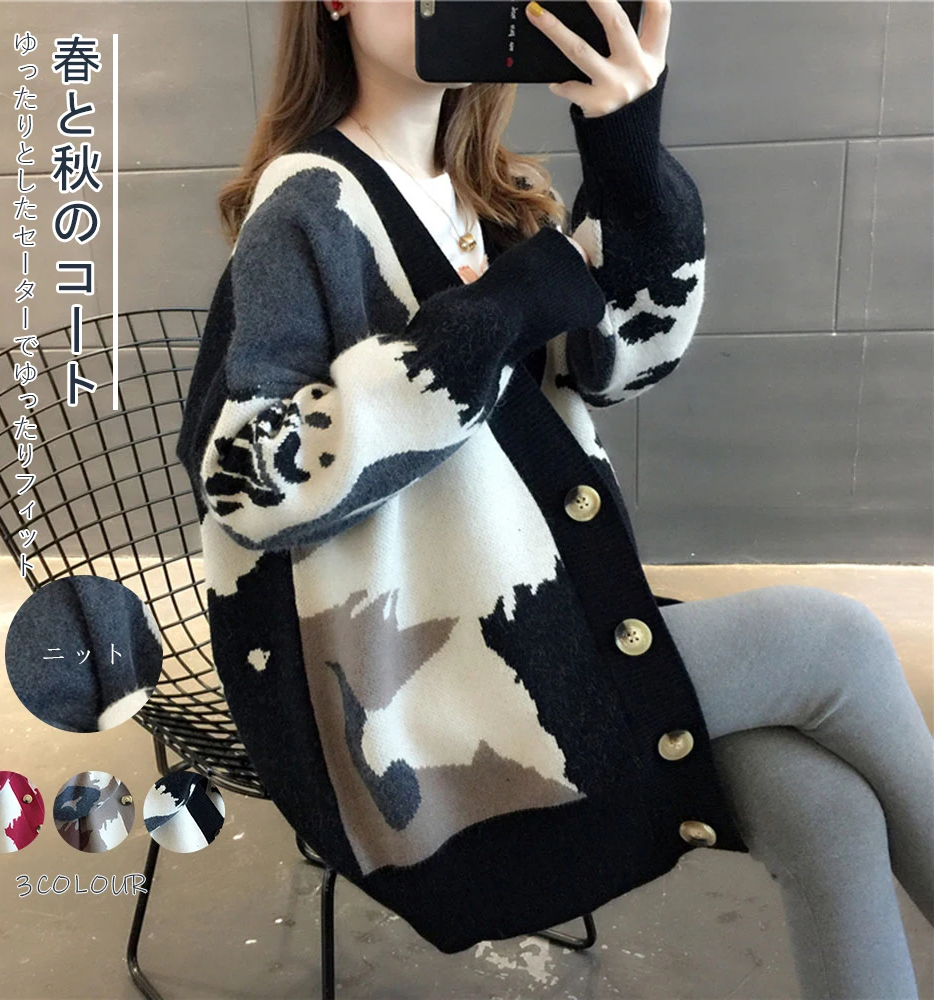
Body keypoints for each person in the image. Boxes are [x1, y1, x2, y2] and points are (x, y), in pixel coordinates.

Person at [177, 2, 934, 995]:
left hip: (546, 630)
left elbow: (626, 359)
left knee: (820, 806)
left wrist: (628, 156)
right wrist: (496, 315)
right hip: (434, 690)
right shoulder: (306, 206)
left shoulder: (496, 199)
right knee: (835, 642)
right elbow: (245, 475)